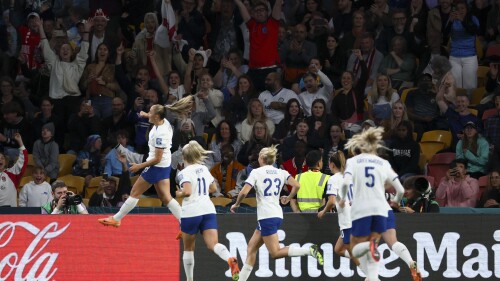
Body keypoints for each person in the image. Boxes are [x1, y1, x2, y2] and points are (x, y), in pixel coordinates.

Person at [230, 145, 324, 281]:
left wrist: (237, 204)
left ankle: (309, 250)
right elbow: (297, 185)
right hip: (276, 214)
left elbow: (244, 191)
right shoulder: (281, 172)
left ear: (261, 158)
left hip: (267, 216)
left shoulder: (256, 172)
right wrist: (288, 198)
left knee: (275, 253)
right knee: (251, 248)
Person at [98, 96, 193, 227]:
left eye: (151, 112)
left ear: (156, 117)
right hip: (164, 165)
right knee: (166, 197)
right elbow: (152, 114)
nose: (148, 113)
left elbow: (157, 158)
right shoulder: (162, 120)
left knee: (134, 193)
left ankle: (116, 218)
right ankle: (186, 222)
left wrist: (139, 166)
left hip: (157, 166)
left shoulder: (161, 134)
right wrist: (144, 114)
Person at [339, 127, 404, 281]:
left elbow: (345, 183)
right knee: (372, 253)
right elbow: (400, 189)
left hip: (362, 209)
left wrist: (342, 198)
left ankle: (370, 247)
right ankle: (373, 278)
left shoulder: (353, 161)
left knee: (354, 249)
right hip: (381, 210)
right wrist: (395, 201)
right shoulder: (383, 163)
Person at [175, 140, 240, 281]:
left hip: (191, 212)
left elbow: (187, 191)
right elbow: (213, 189)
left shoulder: (183, 173)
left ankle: (190, 279)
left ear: (184, 157)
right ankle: (229, 258)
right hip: (208, 210)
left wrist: (178, 193)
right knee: (213, 244)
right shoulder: (204, 169)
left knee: (188, 248)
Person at [317, 151, 359, 267]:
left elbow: (331, 201)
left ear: (332, 164)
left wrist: (323, 212)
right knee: (338, 249)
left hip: (348, 220)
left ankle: (370, 274)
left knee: (354, 255)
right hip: (357, 217)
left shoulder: (333, 179)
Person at [448, 0, 479, 91]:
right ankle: (456, 105)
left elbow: (474, 31)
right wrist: (450, 21)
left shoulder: (472, 18)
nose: (460, 11)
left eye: (462, 8)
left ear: (466, 9)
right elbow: (444, 34)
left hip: (470, 57)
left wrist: (462, 20)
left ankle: (469, 104)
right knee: (455, 86)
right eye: (458, 9)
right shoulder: (452, 19)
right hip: (454, 56)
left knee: (470, 87)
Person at [0, 133, 27, 207]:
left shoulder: (12, 173)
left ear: (5, 161)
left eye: (2, 158)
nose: (0, 160)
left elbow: (23, 161)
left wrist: (20, 142)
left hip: (10, 214)